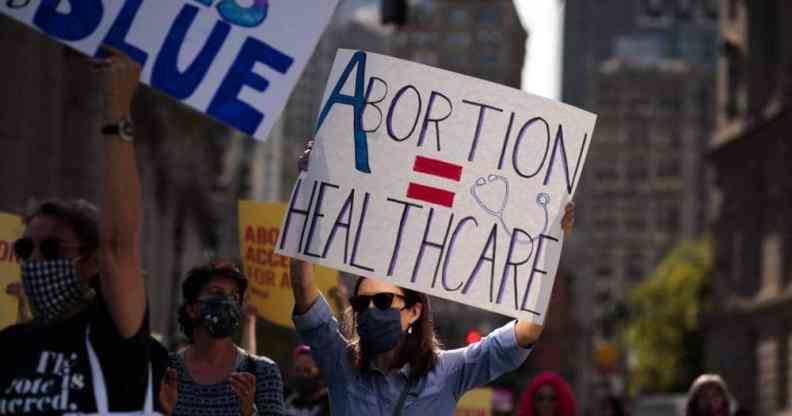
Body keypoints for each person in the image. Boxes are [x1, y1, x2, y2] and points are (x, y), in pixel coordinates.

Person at [290, 139, 576, 416]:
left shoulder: (449, 371)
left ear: (414, 311)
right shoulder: (341, 364)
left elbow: (527, 331)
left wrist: (550, 248)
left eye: (383, 300)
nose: (371, 310)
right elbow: (303, 286)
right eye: (362, 304)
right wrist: (308, 189)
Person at [0, 49, 162, 414]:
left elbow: (120, 242)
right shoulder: (10, 346)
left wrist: (117, 111)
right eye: (26, 250)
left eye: (53, 250)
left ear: (91, 263)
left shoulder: (113, 336)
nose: (35, 262)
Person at [160, 260, 285, 416]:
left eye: (234, 296)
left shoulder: (262, 373)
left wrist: (249, 413)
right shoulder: (166, 371)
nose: (227, 302)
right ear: (192, 309)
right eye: (216, 293)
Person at [285, 345, 331, 416]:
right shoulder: (289, 401)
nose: (302, 375)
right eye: (298, 370)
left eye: (307, 370)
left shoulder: (331, 403)